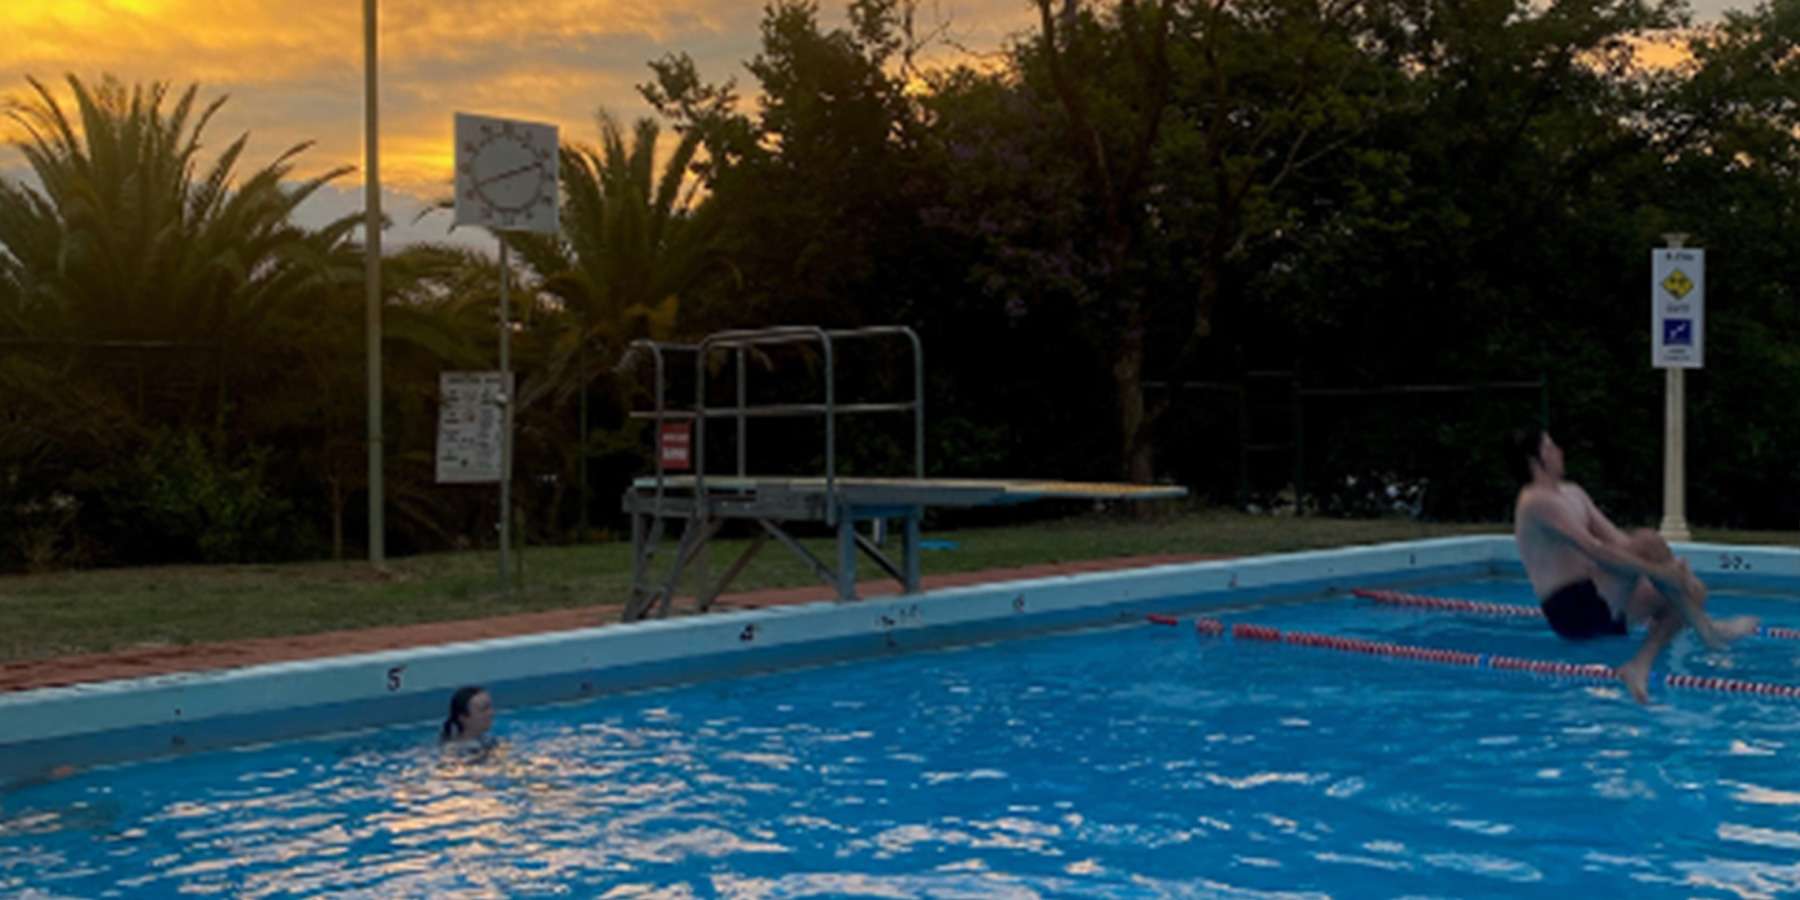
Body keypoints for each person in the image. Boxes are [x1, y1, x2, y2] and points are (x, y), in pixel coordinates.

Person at [1511, 429, 1758, 703]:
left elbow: (1617, 540)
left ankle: (1640, 663)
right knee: (1653, 546)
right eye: (1550, 447)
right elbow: (1595, 550)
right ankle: (1708, 631)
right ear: (1535, 461)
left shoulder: (1574, 493)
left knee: (1691, 591)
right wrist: (1659, 571)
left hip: (1603, 600)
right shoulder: (1535, 501)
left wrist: (1670, 572)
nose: (1559, 451)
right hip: (1572, 609)